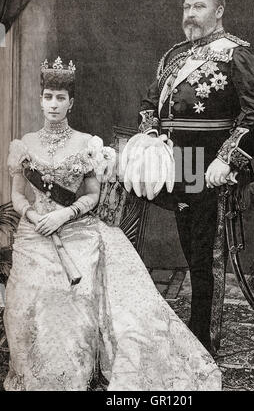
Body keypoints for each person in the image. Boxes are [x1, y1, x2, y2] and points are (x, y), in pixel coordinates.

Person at [3, 56, 221, 391]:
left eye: (61, 98)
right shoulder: (24, 145)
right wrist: (35, 217)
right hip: (35, 233)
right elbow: (18, 196)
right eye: (48, 97)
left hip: (75, 230)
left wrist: (64, 214)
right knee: (26, 298)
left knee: (70, 294)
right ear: (40, 99)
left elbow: (91, 196)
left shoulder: (86, 144)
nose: (53, 104)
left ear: (71, 103)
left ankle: (74, 367)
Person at [138, 0, 254, 353]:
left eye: (198, 7)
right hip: (176, 165)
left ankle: (203, 342)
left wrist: (226, 159)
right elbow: (150, 104)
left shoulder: (236, 55)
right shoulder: (175, 56)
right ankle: (194, 330)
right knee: (192, 252)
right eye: (186, 7)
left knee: (206, 258)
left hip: (210, 167)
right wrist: (150, 135)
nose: (190, 15)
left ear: (219, 12)